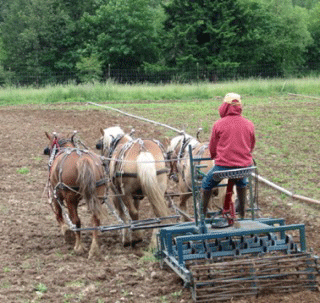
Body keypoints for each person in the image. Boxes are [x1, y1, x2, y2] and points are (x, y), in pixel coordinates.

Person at [201, 93, 255, 219]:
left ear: (225, 106)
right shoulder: (249, 124)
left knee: (206, 184)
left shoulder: (218, 124)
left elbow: (212, 147)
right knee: (242, 183)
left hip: (223, 168)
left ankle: (202, 215)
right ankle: (242, 213)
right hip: (243, 168)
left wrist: (214, 156)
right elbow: (251, 145)